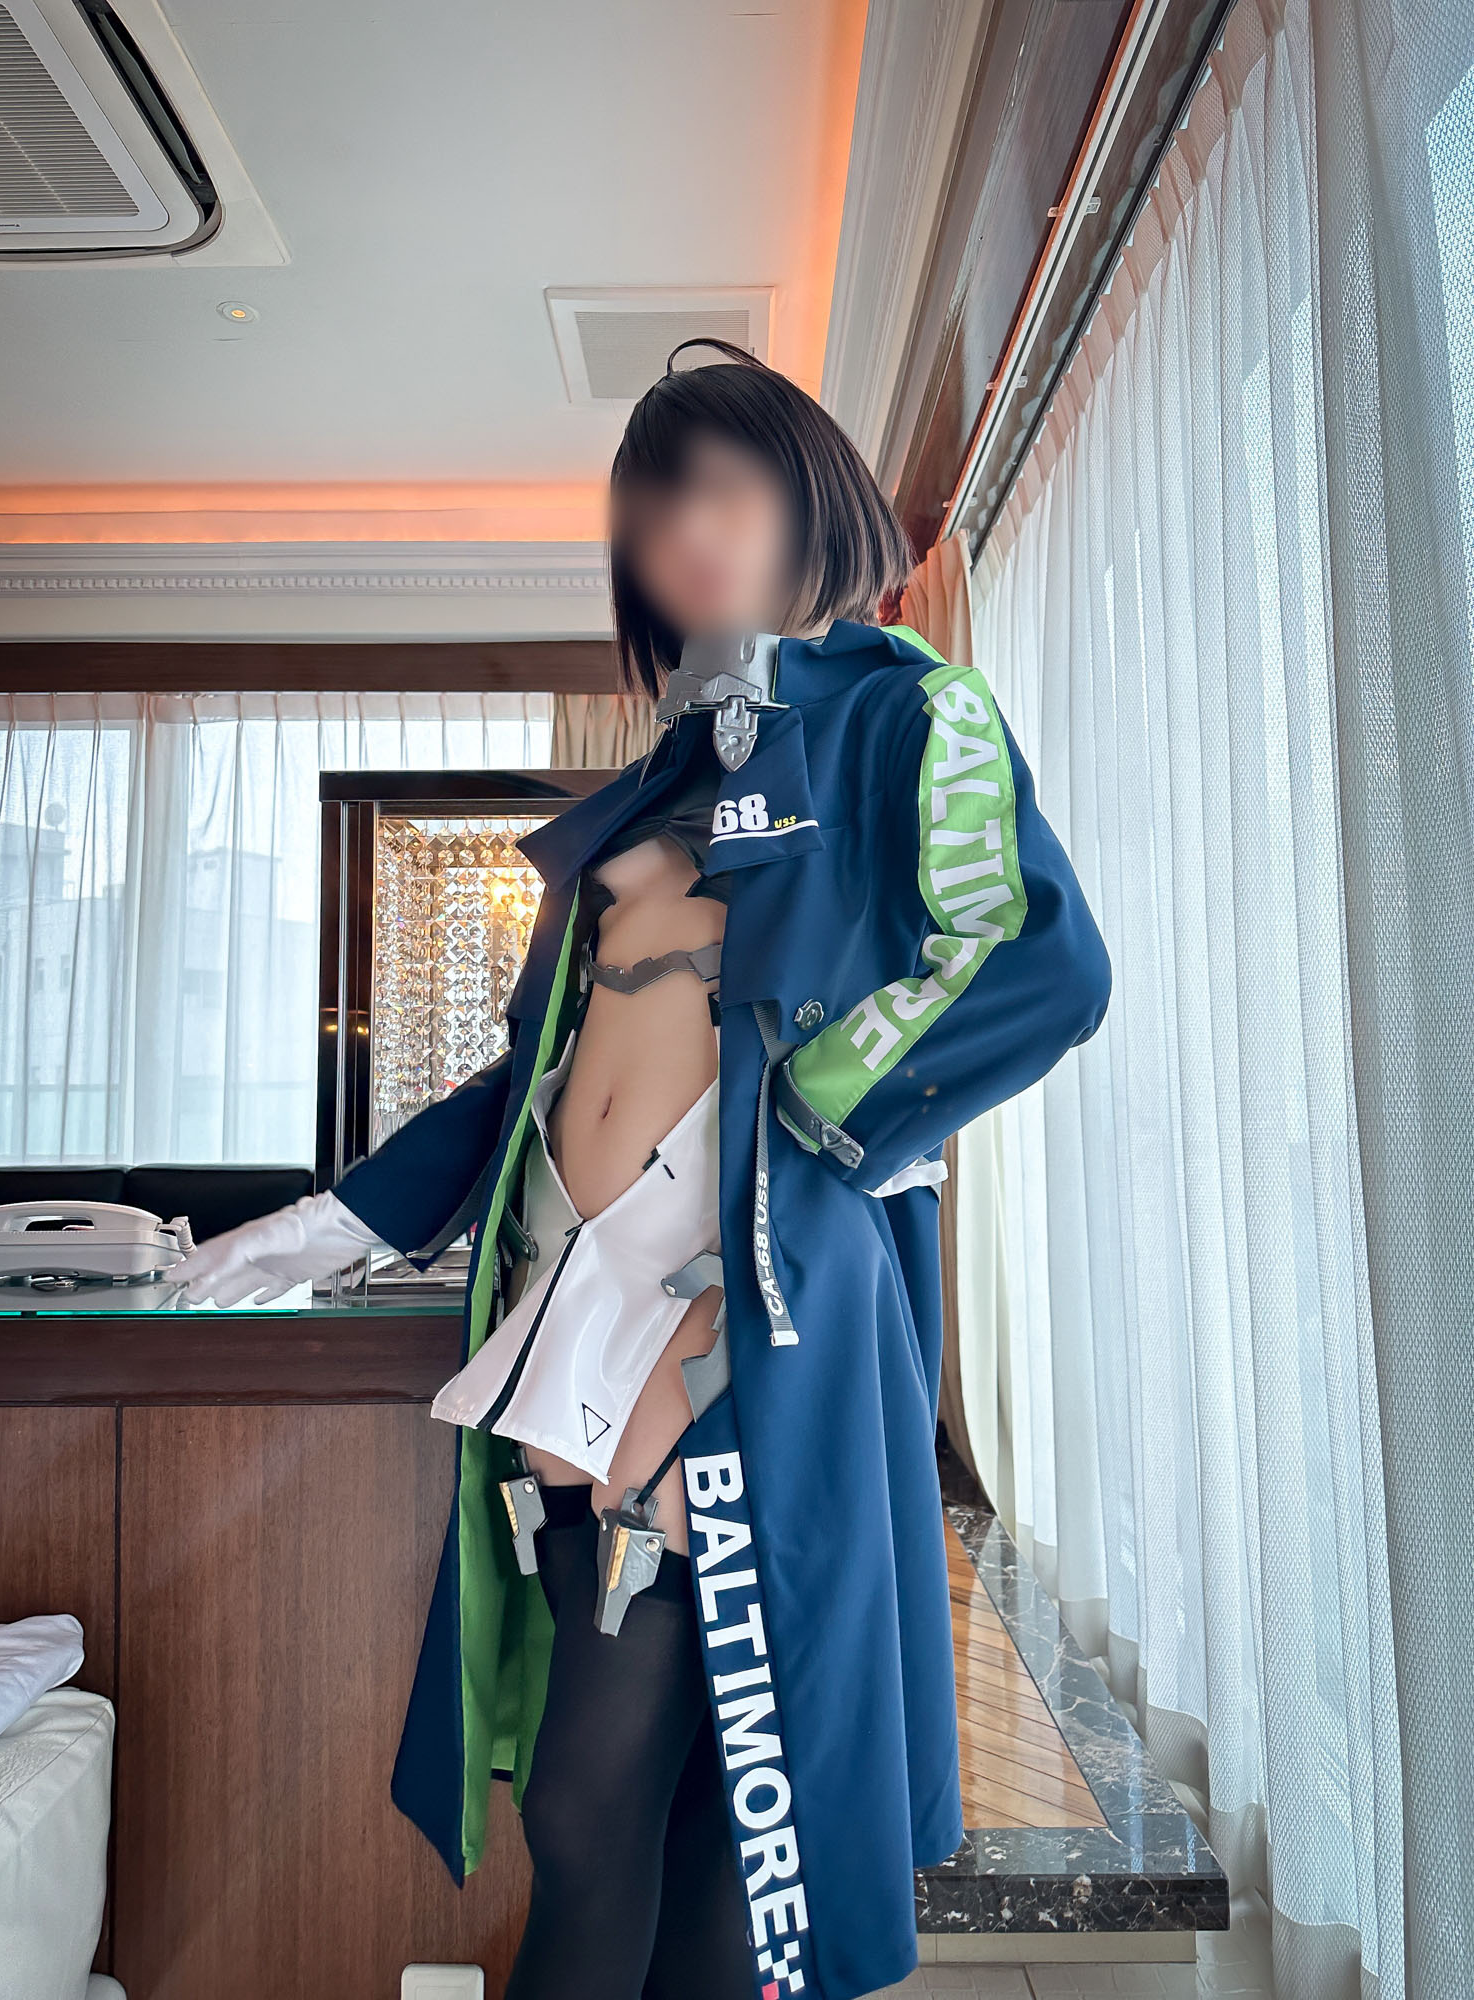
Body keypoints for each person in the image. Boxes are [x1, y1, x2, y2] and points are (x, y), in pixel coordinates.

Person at [173, 339, 1112, 2000]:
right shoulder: (659, 776)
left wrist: (811, 1122)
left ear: (811, 501)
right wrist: (322, 1222)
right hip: (567, 1323)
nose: (685, 534)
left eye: (724, 491)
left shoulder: (908, 709)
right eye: (654, 512)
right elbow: (527, 1073)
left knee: (650, 1810)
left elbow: (1031, 956)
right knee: (660, 1803)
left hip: (731, 1335)